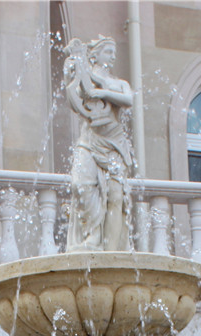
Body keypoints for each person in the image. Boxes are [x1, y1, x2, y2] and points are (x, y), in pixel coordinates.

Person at [63, 37, 136, 252]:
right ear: (94, 55)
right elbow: (75, 96)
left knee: (115, 195)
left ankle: (112, 251)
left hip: (114, 144)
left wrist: (103, 93)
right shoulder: (86, 76)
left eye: (114, 52)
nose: (113, 56)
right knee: (80, 185)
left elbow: (128, 100)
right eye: (108, 52)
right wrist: (72, 73)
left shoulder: (119, 84)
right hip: (89, 141)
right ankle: (92, 234)